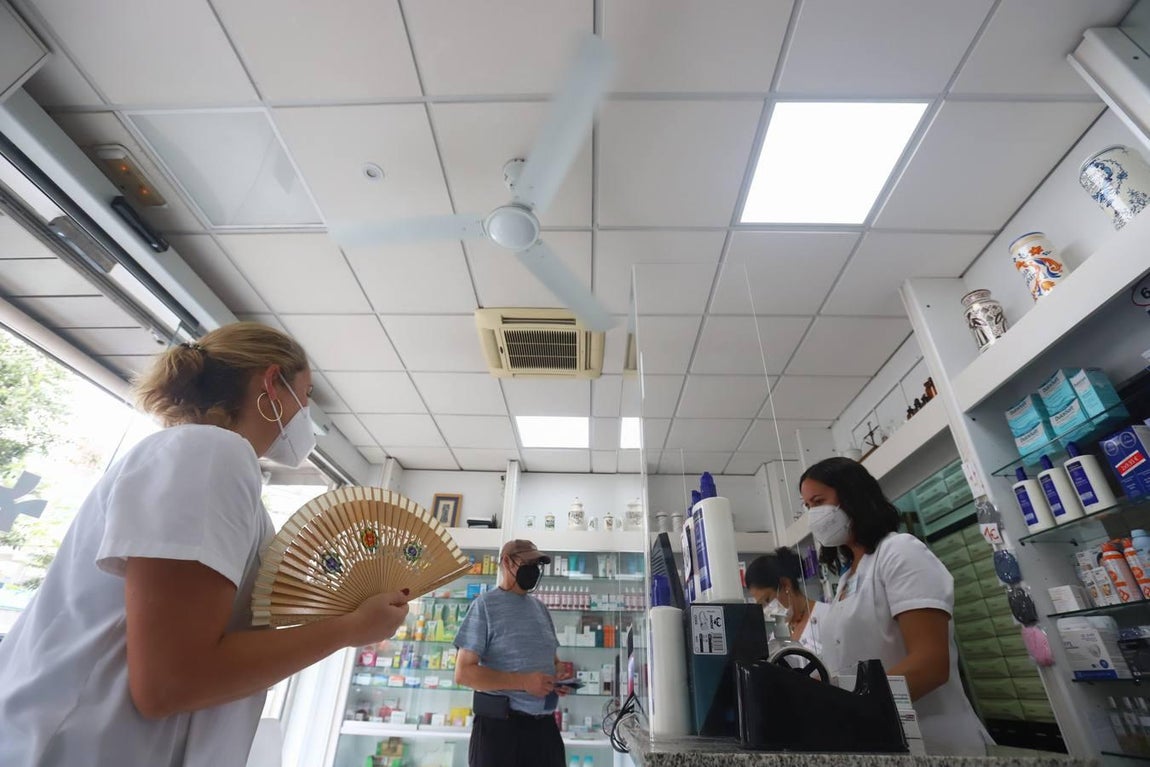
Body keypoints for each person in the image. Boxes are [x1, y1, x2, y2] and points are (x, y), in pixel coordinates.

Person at [0, 322, 410, 767]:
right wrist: (349, 630)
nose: (307, 412)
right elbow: (172, 682)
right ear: (272, 383)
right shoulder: (209, 452)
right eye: (306, 395)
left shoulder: (209, 461)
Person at [801, 456, 992, 756]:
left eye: (818, 502)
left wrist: (848, 706)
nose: (814, 515)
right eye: (807, 507)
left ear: (852, 495)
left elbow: (930, 664)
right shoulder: (848, 578)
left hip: (933, 740)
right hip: (875, 738)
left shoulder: (900, 551)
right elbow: (850, 663)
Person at [455, 539, 568, 767]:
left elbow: (553, 660)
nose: (534, 570)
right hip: (501, 732)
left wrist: (558, 675)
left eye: (537, 565)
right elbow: (464, 673)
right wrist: (523, 682)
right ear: (507, 562)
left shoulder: (540, 609)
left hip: (544, 730)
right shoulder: (485, 606)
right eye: (528, 563)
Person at [745, 547, 829, 656]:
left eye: (767, 599)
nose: (767, 609)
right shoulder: (776, 636)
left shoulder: (827, 616)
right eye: (762, 605)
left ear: (785, 585)